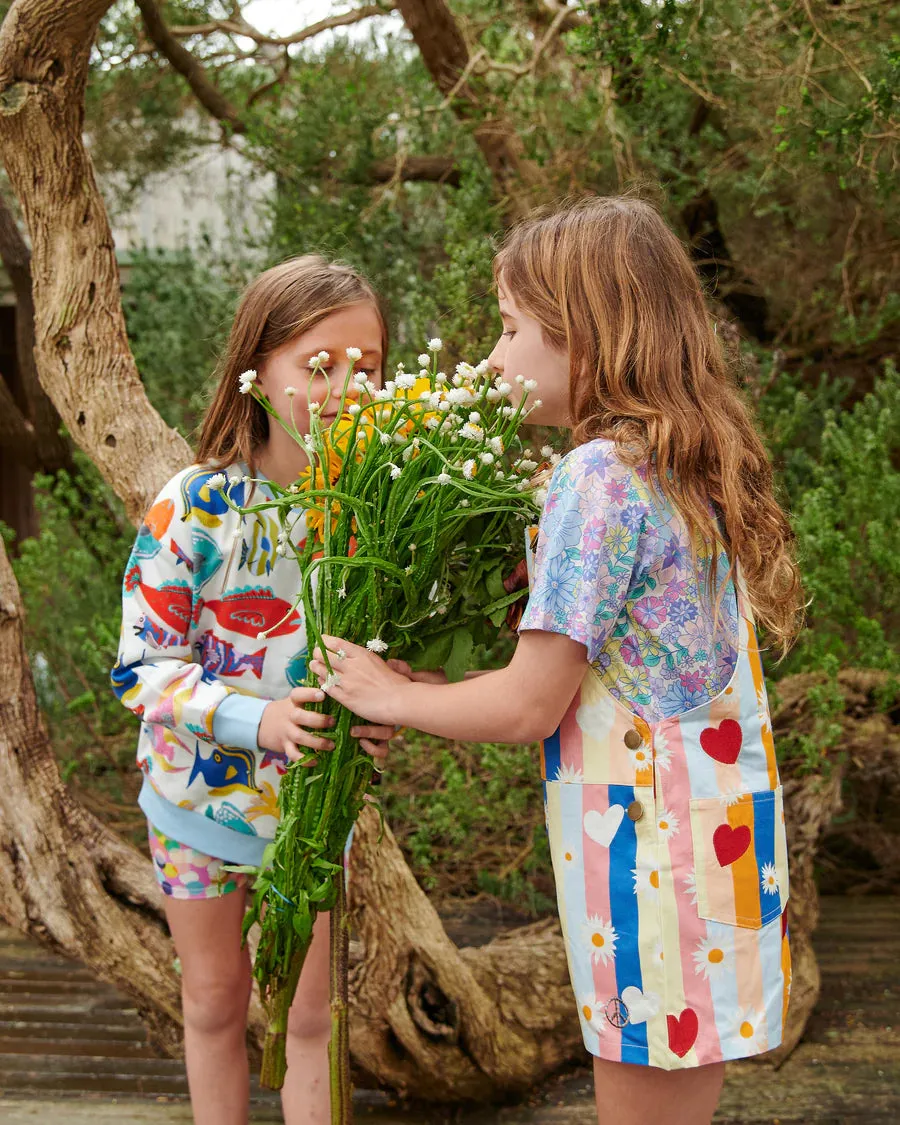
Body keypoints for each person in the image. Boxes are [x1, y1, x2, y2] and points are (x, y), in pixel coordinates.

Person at [308, 197, 805, 1125]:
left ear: (586, 334)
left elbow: (530, 706)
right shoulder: (692, 460)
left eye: (509, 330)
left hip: (646, 861)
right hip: (721, 837)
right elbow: (609, 669)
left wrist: (387, 694)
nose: (493, 358)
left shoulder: (596, 476)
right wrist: (445, 686)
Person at [111, 256, 396, 1125]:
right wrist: (256, 718)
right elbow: (141, 668)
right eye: (320, 365)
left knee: (312, 1019)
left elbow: (386, 650)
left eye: (369, 367)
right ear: (258, 367)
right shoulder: (195, 505)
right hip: (193, 805)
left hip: (314, 817)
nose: (347, 385)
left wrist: (389, 701)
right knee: (213, 1003)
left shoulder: (376, 508)